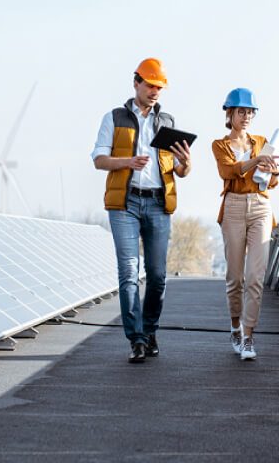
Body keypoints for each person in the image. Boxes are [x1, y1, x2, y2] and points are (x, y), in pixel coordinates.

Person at [92, 57, 192, 363]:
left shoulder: (168, 123)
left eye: (159, 86)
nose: (155, 91)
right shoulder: (115, 118)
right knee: (129, 273)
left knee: (159, 275)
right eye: (150, 85)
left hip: (158, 203)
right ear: (136, 83)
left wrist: (186, 163)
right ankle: (135, 339)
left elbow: (179, 170)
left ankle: (149, 331)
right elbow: (98, 159)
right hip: (125, 203)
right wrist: (127, 162)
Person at [210, 88, 279, 360]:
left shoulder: (262, 142)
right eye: (241, 111)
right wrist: (255, 161)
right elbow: (227, 171)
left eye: (250, 111)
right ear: (230, 114)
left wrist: (273, 171)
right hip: (234, 207)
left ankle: (249, 336)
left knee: (255, 278)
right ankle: (235, 325)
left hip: (261, 205)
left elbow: (272, 181)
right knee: (235, 278)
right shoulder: (220, 145)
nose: (247, 116)